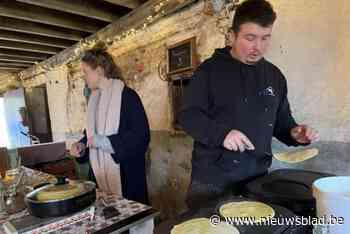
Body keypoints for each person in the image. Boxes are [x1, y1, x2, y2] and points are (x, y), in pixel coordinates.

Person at [179, 0, 319, 209]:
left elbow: (282, 123)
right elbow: (189, 116)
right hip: (212, 181)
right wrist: (222, 134)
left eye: (265, 38)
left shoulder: (274, 76)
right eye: (250, 38)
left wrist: (295, 133)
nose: (258, 47)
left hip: (257, 180)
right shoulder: (208, 71)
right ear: (232, 35)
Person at [70, 46, 150, 205]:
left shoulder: (127, 96)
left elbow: (141, 136)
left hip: (126, 177)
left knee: (127, 223)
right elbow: (91, 137)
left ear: (99, 71)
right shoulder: (94, 100)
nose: (83, 77)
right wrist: (81, 146)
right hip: (100, 177)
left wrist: (107, 142)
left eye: (85, 71)